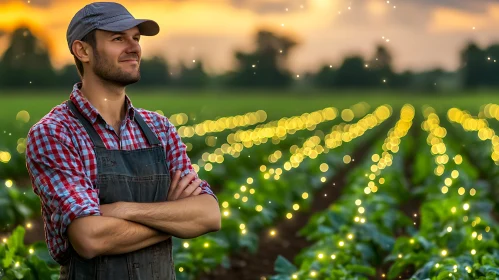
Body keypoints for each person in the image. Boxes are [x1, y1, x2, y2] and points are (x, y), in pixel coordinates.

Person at [24, 2, 221, 279]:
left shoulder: (160, 129)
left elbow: (208, 215)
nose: (134, 48)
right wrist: (174, 217)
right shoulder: (55, 133)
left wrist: (119, 210)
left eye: (136, 38)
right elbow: (90, 238)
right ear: (83, 51)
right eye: (118, 38)